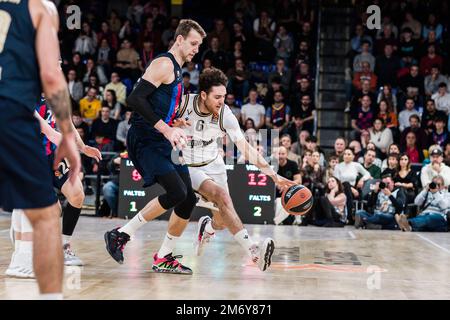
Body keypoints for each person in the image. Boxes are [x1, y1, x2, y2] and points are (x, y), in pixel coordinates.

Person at [104, 19, 207, 274]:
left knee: (188, 199)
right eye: (193, 43)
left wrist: (175, 121)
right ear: (180, 40)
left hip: (161, 137)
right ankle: (120, 235)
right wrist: (167, 128)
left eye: (199, 45)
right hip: (145, 138)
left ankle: (164, 257)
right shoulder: (163, 64)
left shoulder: (177, 71)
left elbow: (156, 103)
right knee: (175, 192)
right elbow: (135, 99)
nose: (196, 49)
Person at [0, 0, 81, 299]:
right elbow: (50, 75)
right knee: (47, 216)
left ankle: (21, 256)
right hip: (10, 115)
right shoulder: (39, 9)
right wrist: (65, 135)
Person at [176, 68, 295, 270]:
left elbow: (247, 150)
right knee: (222, 196)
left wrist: (274, 176)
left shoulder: (226, 114)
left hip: (214, 163)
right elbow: (157, 121)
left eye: (224, 96)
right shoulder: (184, 104)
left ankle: (208, 228)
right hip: (190, 165)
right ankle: (254, 251)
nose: (222, 101)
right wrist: (172, 124)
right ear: (203, 95)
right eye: (217, 96)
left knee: (222, 219)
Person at [7, 96, 102, 277]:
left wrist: (82, 146)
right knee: (51, 209)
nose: (59, 66)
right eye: (56, 64)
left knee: (77, 195)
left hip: (52, 154)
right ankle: (23, 246)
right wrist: (51, 133)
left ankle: (63, 247)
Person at [273, 146, 302, 225]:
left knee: (295, 198)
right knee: (279, 202)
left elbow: (298, 180)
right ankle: (277, 221)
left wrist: (287, 186)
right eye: (279, 154)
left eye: (283, 154)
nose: (281, 156)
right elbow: (269, 180)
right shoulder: (272, 164)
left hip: (290, 191)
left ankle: (296, 220)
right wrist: (278, 184)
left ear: (286, 154)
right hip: (276, 193)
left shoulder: (292, 164)